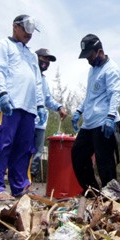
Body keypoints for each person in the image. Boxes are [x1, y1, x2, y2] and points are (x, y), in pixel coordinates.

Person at [0, 15, 44, 201]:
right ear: (15, 27)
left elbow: (37, 81)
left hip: (28, 107)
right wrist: (2, 93)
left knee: (24, 149)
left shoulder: (32, 55)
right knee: (1, 145)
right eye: (26, 29)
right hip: (9, 104)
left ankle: (20, 187)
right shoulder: (4, 45)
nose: (29, 34)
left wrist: (40, 104)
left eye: (32, 31)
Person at [68, 34, 120, 194]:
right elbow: (90, 95)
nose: (88, 60)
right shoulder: (92, 70)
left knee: (104, 161)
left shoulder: (111, 68)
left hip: (105, 121)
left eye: (89, 56)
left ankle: (112, 195)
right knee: (78, 154)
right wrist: (79, 110)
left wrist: (111, 117)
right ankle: (91, 191)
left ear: (99, 51)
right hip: (90, 122)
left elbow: (115, 94)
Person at [30, 48, 68, 181]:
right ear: (36, 58)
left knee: (37, 154)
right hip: (27, 118)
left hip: (40, 123)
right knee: (23, 151)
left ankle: (30, 180)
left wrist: (59, 107)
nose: (46, 62)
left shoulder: (44, 80)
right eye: (44, 58)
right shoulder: (28, 74)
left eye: (48, 60)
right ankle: (17, 180)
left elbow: (47, 99)